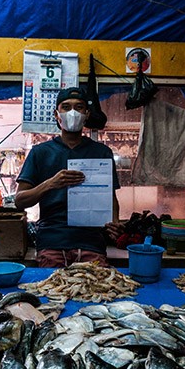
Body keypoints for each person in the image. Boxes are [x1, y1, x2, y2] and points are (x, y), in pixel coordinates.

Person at [15, 87, 125, 267]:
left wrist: (114, 223)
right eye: (66, 107)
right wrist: (50, 184)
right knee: (53, 291)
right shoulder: (40, 153)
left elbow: (110, 198)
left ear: (87, 114)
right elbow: (20, 201)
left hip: (91, 243)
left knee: (96, 291)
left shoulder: (102, 152)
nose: (72, 112)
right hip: (52, 243)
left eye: (79, 107)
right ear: (56, 114)